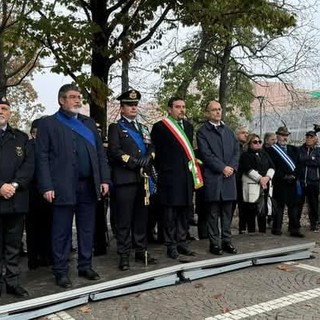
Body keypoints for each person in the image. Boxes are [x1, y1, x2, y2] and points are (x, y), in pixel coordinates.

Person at [36, 83, 110, 288]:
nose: (77, 100)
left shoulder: (88, 123)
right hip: (62, 187)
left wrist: (104, 179)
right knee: (61, 231)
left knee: (87, 229)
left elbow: (100, 155)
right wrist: (46, 186)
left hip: (88, 185)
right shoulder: (48, 124)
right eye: (72, 97)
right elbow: (41, 158)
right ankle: (60, 271)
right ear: (61, 100)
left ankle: (85, 265)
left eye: (79, 97)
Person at [108, 89, 157, 271]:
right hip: (125, 179)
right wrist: (135, 161)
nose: (133, 108)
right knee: (124, 219)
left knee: (141, 218)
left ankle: (141, 250)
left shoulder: (143, 128)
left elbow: (151, 146)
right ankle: (124, 254)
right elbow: (114, 151)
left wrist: (149, 157)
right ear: (122, 108)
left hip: (142, 179)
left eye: (135, 105)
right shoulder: (116, 128)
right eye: (130, 105)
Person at [151, 96, 202, 259]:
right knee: (170, 215)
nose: (182, 110)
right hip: (170, 178)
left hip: (186, 178)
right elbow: (156, 155)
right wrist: (164, 172)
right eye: (178, 107)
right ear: (170, 109)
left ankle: (182, 242)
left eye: (183, 107)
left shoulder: (188, 126)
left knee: (184, 213)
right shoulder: (160, 127)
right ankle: (171, 245)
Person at [0, 94, 34, 297]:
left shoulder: (21, 138)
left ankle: (12, 282)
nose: (1, 112)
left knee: (13, 245)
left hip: (15, 200)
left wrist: (13, 185)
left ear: (10, 112)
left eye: (4, 108)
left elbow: (29, 167)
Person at [196, 100, 238, 255]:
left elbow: (236, 151)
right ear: (208, 113)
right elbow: (206, 155)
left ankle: (227, 241)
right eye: (214, 110)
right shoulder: (202, 132)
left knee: (227, 213)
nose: (217, 112)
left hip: (228, 178)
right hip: (214, 178)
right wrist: (222, 168)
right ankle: (214, 243)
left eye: (219, 109)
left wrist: (232, 167)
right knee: (213, 214)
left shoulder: (229, 131)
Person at [265, 126, 303, 237]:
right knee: (279, 207)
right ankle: (277, 228)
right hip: (279, 182)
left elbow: (299, 165)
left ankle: (294, 229)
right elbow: (272, 166)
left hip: (293, 183)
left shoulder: (294, 149)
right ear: (277, 136)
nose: (285, 138)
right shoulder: (271, 150)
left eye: (286, 135)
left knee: (294, 207)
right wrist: (283, 176)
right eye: (282, 135)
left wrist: (294, 176)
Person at [26, 118, 53, 270]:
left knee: (47, 225)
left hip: (46, 191)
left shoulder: (48, 147)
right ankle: (33, 258)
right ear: (32, 133)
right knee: (32, 227)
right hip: (31, 191)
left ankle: (46, 255)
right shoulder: (28, 146)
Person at [239, 133, 275, 233]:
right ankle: (251, 232)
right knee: (250, 211)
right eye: (255, 142)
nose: (258, 144)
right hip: (252, 187)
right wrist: (260, 179)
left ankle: (262, 232)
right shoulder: (245, 155)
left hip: (264, 186)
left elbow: (272, 166)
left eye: (259, 142)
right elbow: (248, 169)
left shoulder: (264, 154)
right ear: (249, 143)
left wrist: (267, 177)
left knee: (262, 211)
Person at [297, 130, 320, 232]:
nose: (309, 139)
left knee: (313, 204)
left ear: (315, 139)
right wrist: (311, 158)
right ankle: (295, 223)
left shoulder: (318, 150)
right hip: (301, 181)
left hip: (313, 181)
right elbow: (299, 160)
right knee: (298, 204)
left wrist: (307, 159)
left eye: (311, 137)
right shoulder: (300, 149)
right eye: (307, 137)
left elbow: (318, 162)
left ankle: (314, 224)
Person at [234, 126, 249, 234]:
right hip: (234, 180)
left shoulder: (246, 148)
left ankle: (242, 228)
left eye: (247, 133)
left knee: (244, 205)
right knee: (231, 206)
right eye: (243, 132)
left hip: (243, 181)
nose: (246, 135)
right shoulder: (234, 147)